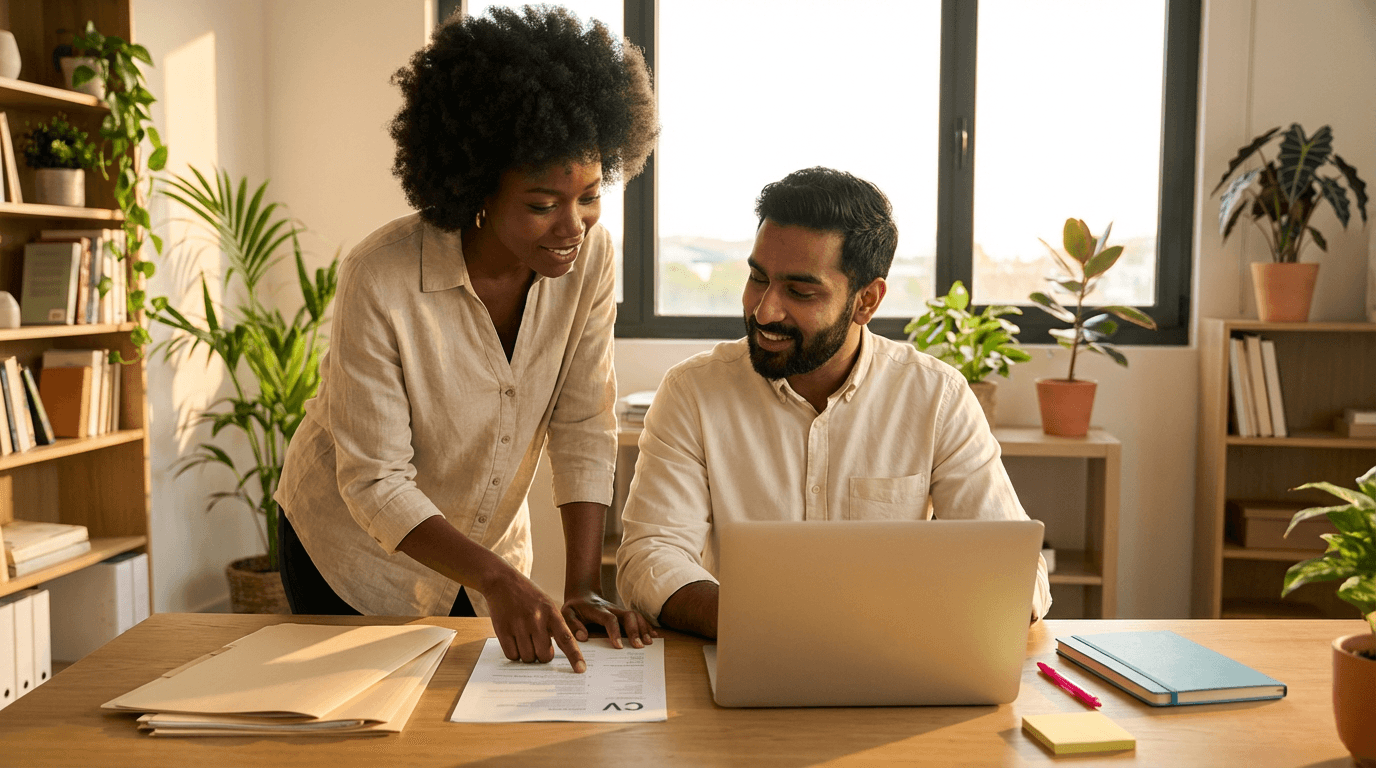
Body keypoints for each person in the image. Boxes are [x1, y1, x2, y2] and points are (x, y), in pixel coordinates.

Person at [275, 5, 659, 672]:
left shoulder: (592, 260)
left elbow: (582, 422)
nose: (573, 226)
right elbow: (374, 481)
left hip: (486, 558)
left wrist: (582, 585)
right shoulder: (382, 277)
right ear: (478, 187)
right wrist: (499, 581)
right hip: (351, 560)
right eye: (542, 205)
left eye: (591, 196)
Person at [615, 167, 1051, 638]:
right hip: (746, 652)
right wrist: (769, 623)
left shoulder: (935, 397)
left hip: (891, 661)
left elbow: (1022, 580)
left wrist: (884, 624)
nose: (764, 310)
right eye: (758, 279)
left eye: (800, 292)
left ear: (866, 301)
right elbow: (649, 556)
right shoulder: (693, 392)